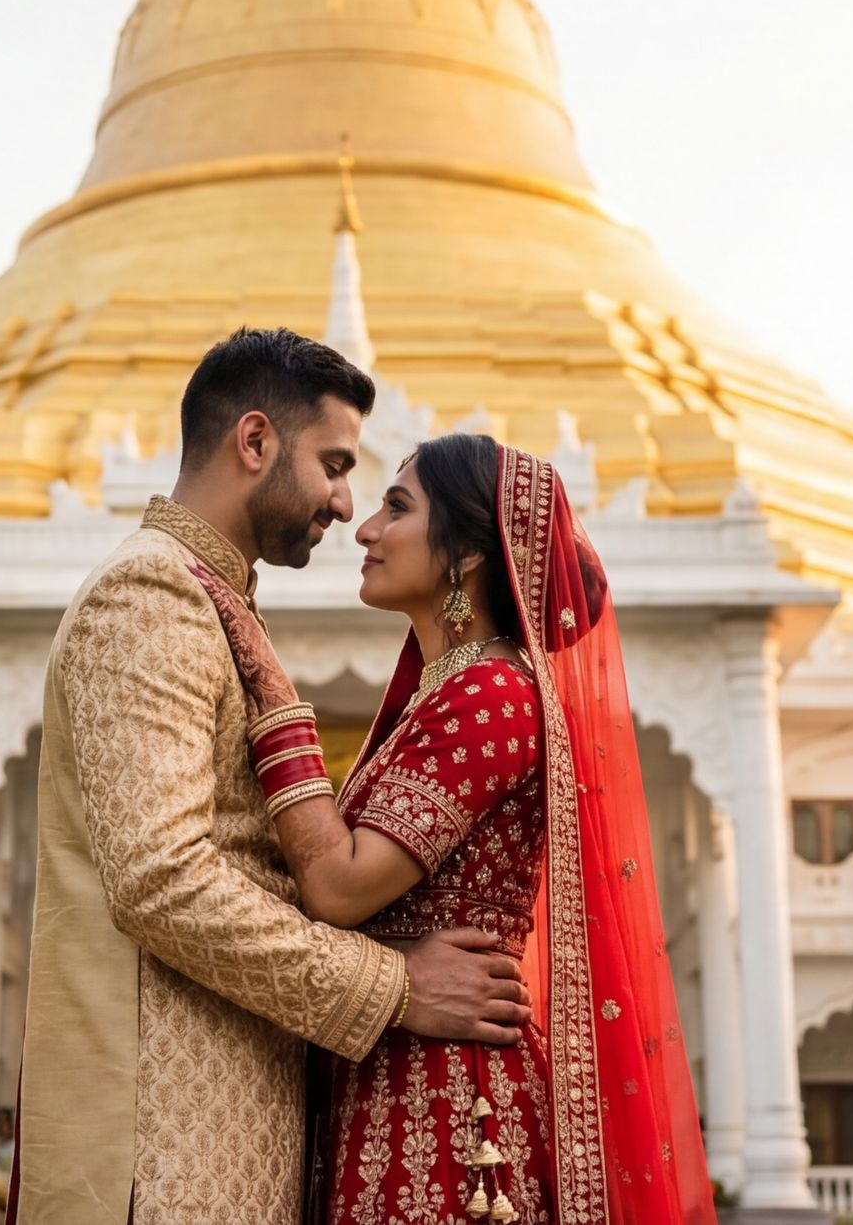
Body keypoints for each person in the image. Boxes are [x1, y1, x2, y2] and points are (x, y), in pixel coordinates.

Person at [14, 329, 532, 1225]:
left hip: (216, 1136)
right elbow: (161, 878)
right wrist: (397, 986)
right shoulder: (152, 595)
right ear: (254, 443)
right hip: (160, 1148)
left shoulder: (216, 604)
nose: (346, 503)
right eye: (334, 464)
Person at [191, 433, 719, 1225]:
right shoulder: (448, 691)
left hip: (448, 1106)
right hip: (404, 1062)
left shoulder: (491, 693)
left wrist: (275, 702)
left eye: (397, 506)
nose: (365, 528)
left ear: (469, 551)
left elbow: (336, 886)